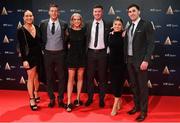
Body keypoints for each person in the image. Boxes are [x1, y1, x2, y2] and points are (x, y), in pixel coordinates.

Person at [124, 4, 155, 122]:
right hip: (130, 60)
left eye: (133, 11)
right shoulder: (129, 26)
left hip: (141, 61)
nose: (131, 13)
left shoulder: (146, 24)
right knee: (134, 85)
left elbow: (151, 43)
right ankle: (136, 107)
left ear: (139, 12)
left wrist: (146, 60)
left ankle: (143, 112)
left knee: (142, 87)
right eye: (129, 12)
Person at [39, 3, 68, 108]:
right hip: (47, 54)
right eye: (52, 11)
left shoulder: (64, 24)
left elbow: (67, 39)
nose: (54, 13)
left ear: (58, 12)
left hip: (60, 54)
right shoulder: (43, 23)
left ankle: (60, 98)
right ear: (49, 12)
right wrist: (43, 49)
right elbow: (40, 38)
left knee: (62, 77)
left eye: (56, 11)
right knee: (49, 77)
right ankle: (51, 98)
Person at [17, 10, 45, 111]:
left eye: (31, 16)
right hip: (29, 57)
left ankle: (36, 92)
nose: (29, 17)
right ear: (24, 18)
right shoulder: (21, 30)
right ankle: (31, 99)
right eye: (27, 16)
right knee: (31, 76)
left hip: (38, 55)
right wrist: (24, 60)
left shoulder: (37, 27)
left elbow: (41, 41)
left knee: (37, 75)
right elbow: (21, 46)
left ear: (33, 17)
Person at [85, 4, 111, 108]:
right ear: (93, 12)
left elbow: (113, 35)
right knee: (90, 77)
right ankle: (90, 98)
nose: (97, 13)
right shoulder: (87, 24)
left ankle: (101, 99)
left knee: (102, 77)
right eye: (95, 11)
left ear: (102, 12)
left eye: (99, 11)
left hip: (102, 54)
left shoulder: (108, 24)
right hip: (90, 53)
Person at [66, 13, 86, 112]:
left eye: (78, 19)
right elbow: (65, 44)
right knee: (70, 79)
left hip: (82, 57)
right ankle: (69, 102)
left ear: (81, 20)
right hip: (71, 57)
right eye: (75, 19)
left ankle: (77, 99)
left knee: (80, 78)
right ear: (72, 20)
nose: (77, 21)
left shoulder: (84, 31)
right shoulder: (68, 31)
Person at [108, 17, 126, 116]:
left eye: (119, 25)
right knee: (114, 83)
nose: (117, 26)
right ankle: (119, 100)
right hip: (112, 63)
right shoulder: (110, 34)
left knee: (119, 83)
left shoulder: (125, 35)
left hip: (122, 63)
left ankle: (115, 106)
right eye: (115, 24)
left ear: (122, 26)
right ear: (113, 25)